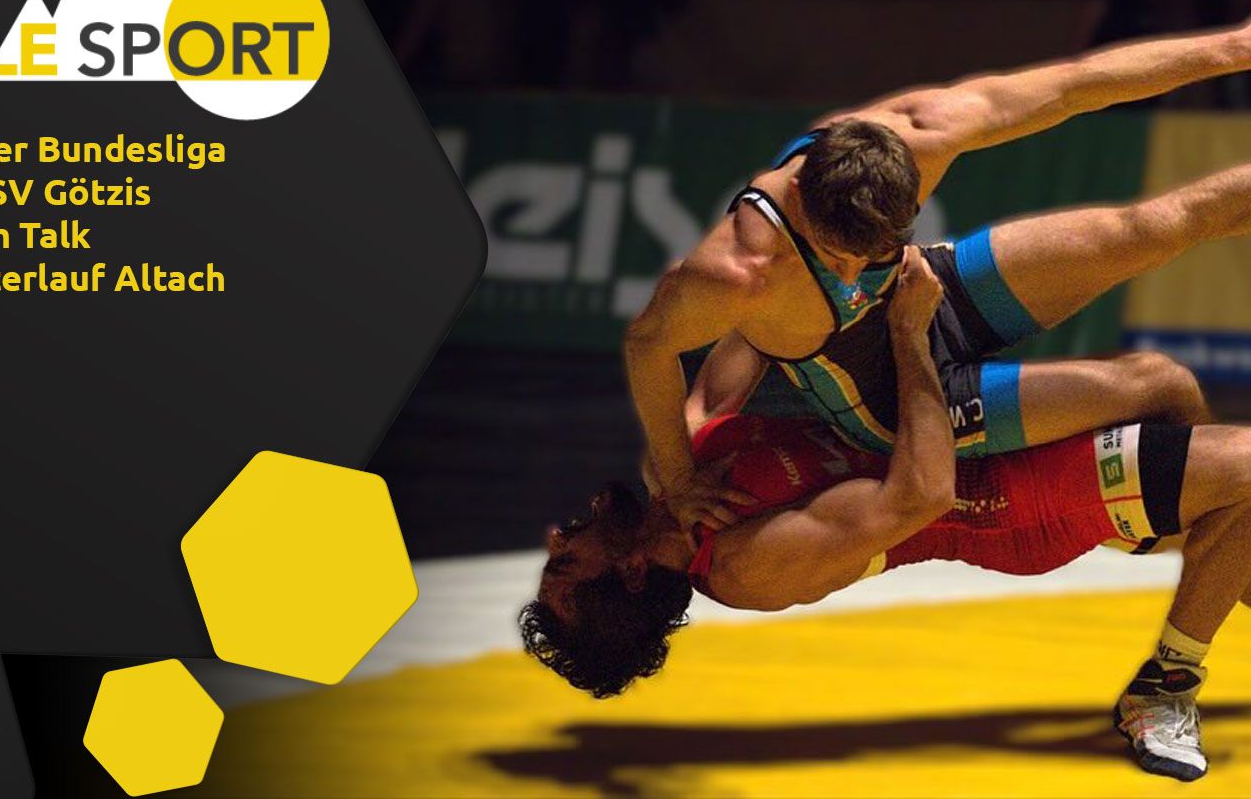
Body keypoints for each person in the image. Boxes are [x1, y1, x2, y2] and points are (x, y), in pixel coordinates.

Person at [527, 251, 1251, 781]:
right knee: (1245, 470)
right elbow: (922, 495)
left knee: (1162, 384)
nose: (557, 535)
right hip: (1004, 507)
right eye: (567, 561)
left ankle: (1174, 534)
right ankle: (1165, 685)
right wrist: (907, 332)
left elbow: (748, 335)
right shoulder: (748, 567)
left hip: (955, 442)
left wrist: (777, 265)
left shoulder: (673, 471)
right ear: (629, 573)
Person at [626, 20, 1251, 532]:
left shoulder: (924, 131)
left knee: (1151, 227)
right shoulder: (736, 269)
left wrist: (1233, 47)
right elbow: (647, 344)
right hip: (891, 402)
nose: (852, 274)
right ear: (802, 201)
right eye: (838, 259)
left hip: (931, 290)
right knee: (1150, 384)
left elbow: (1074, 85)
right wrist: (679, 478)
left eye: (871, 253)